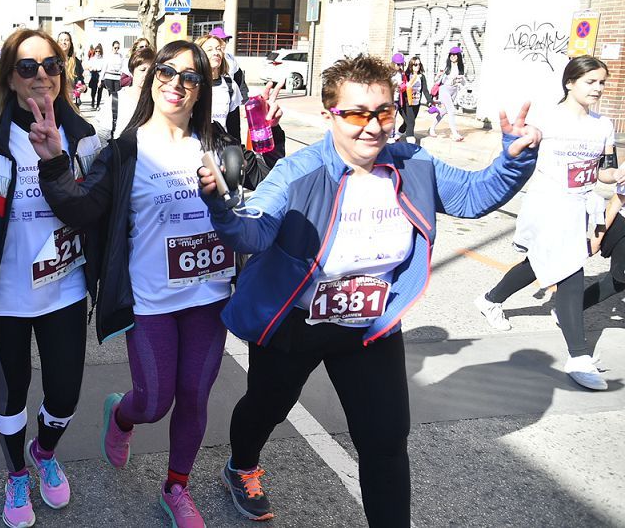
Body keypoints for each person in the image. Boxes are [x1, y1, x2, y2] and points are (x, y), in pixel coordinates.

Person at [196, 54, 540, 526]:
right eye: (356, 114)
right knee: (267, 406)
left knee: (385, 439)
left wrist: (514, 159)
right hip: (295, 320)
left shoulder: (411, 162)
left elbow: (473, 195)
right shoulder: (299, 171)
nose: (371, 127)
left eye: (383, 112)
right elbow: (253, 232)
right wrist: (221, 209)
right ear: (329, 116)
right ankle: (241, 466)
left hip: (369, 323)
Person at [31, 41, 287, 528]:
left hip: (209, 296)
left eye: (190, 77)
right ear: (151, 79)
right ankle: (122, 416)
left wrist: (268, 133)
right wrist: (53, 162)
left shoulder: (213, 141)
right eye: (167, 72)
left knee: (194, 394)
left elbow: (271, 177)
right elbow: (83, 209)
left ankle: (176, 488)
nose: (177, 83)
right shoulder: (126, 151)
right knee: (154, 401)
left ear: (201, 89)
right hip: (150, 299)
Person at [0, 29, 101, 528]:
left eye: (50, 65)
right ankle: (16, 474)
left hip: (65, 289)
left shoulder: (83, 136)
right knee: (11, 394)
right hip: (1, 294)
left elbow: (97, 213)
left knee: (65, 395)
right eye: (27, 67)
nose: (41, 76)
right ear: (9, 75)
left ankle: (44, 452)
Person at [472, 56, 618, 390]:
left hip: (580, 204)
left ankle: (490, 299)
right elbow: (518, 153)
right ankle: (578, 356)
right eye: (590, 81)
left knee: (539, 264)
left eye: (602, 82)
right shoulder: (546, 120)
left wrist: (616, 175)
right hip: (548, 202)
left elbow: (604, 172)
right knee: (569, 270)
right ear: (570, 82)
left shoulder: (604, 125)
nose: (598, 88)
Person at [94, 46, 155, 144]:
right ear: (132, 71)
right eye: (142, 70)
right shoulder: (116, 99)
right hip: (120, 155)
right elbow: (102, 137)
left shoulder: (157, 101)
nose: (146, 75)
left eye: (151, 71)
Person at [196, 34, 243, 141]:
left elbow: (234, 128)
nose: (216, 53)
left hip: (222, 148)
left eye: (218, 49)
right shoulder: (191, 83)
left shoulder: (230, 85)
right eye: (210, 50)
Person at [428, 46, 466, 141]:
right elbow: (437, 80)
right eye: (451, 55)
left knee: (443, 112)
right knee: (451, 110)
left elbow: (464, 83)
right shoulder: (446, 67)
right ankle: (454, 134)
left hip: (454, 90)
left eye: (455, 55)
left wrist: (461, 79)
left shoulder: (461, 67)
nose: (453, 56)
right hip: (444, 89)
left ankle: (432, 128)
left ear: (458, 56)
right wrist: (438, 75)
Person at [396, 55, 432, 144]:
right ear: (411, 65)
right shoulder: (406, 75)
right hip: (406, 103)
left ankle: (397, 136)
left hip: (416, 103)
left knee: (407, 122)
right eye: (415, 65)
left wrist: (429, 101)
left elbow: (425, 90)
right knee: (411, 122)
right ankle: (411, 142)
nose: (417, 66)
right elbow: (401, 87)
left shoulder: (421, 77)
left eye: (419, 64)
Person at [208, 26, 250, 102]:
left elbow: (239, 81)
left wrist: (244, 100)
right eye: (220, 40)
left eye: (225, 40)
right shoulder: (202, 58)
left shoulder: (230, 58)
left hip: (228, 100)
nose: (223, 43)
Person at [86, 43, 105, 110]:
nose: (97, 53)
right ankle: (93, 100)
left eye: (99, 51)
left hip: (101, 75)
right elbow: (88, 67)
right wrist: (91, 69)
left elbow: (104, 68)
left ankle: (98, 105)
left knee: (100, 91)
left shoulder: (103, 59)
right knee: (93, 91)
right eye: (96, 51)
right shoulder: (92, 59)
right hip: (94, 74)